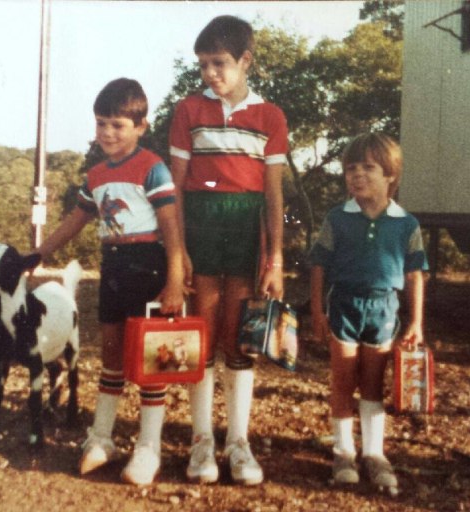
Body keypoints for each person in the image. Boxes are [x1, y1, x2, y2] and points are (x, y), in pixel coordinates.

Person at [35, 78, 184, 485]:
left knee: (155, 361)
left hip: (150, 266)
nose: (107, 133)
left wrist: (175, 279)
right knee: (112, 359)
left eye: (117, 125)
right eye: (101, 123)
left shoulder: (153, 168)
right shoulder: (95, 175)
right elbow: (76, 220)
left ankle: (148, 445)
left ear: (141, 126)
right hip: (114, 267)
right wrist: (38, 254)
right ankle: (101, 437)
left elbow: (171, 228)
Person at [168, 15, 289, 485]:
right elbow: (174, 188)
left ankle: (238, 441)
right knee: (203, 334)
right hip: (199, 229)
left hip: (245, 234)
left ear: (245, 60)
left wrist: (275, 258)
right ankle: (202, 441)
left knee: (240, 338)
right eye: (202, 65)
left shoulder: (270, 116)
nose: (210, 74)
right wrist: (177, 255)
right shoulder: (187, 111)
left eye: (219, 63)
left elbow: (274, 194)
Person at [309, 132, 426, 491]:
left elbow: (414, 275)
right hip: (344, 304)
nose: (357, 175)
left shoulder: (405, 223)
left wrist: (416, 321)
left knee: (373, 383)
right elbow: (318, 266)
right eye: (350, 168)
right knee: (343, 381)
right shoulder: (338, 217)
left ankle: (374, 453)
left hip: (384, 309)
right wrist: (317, 310)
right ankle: (344, 451)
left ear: (391, 174)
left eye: (368, 167)